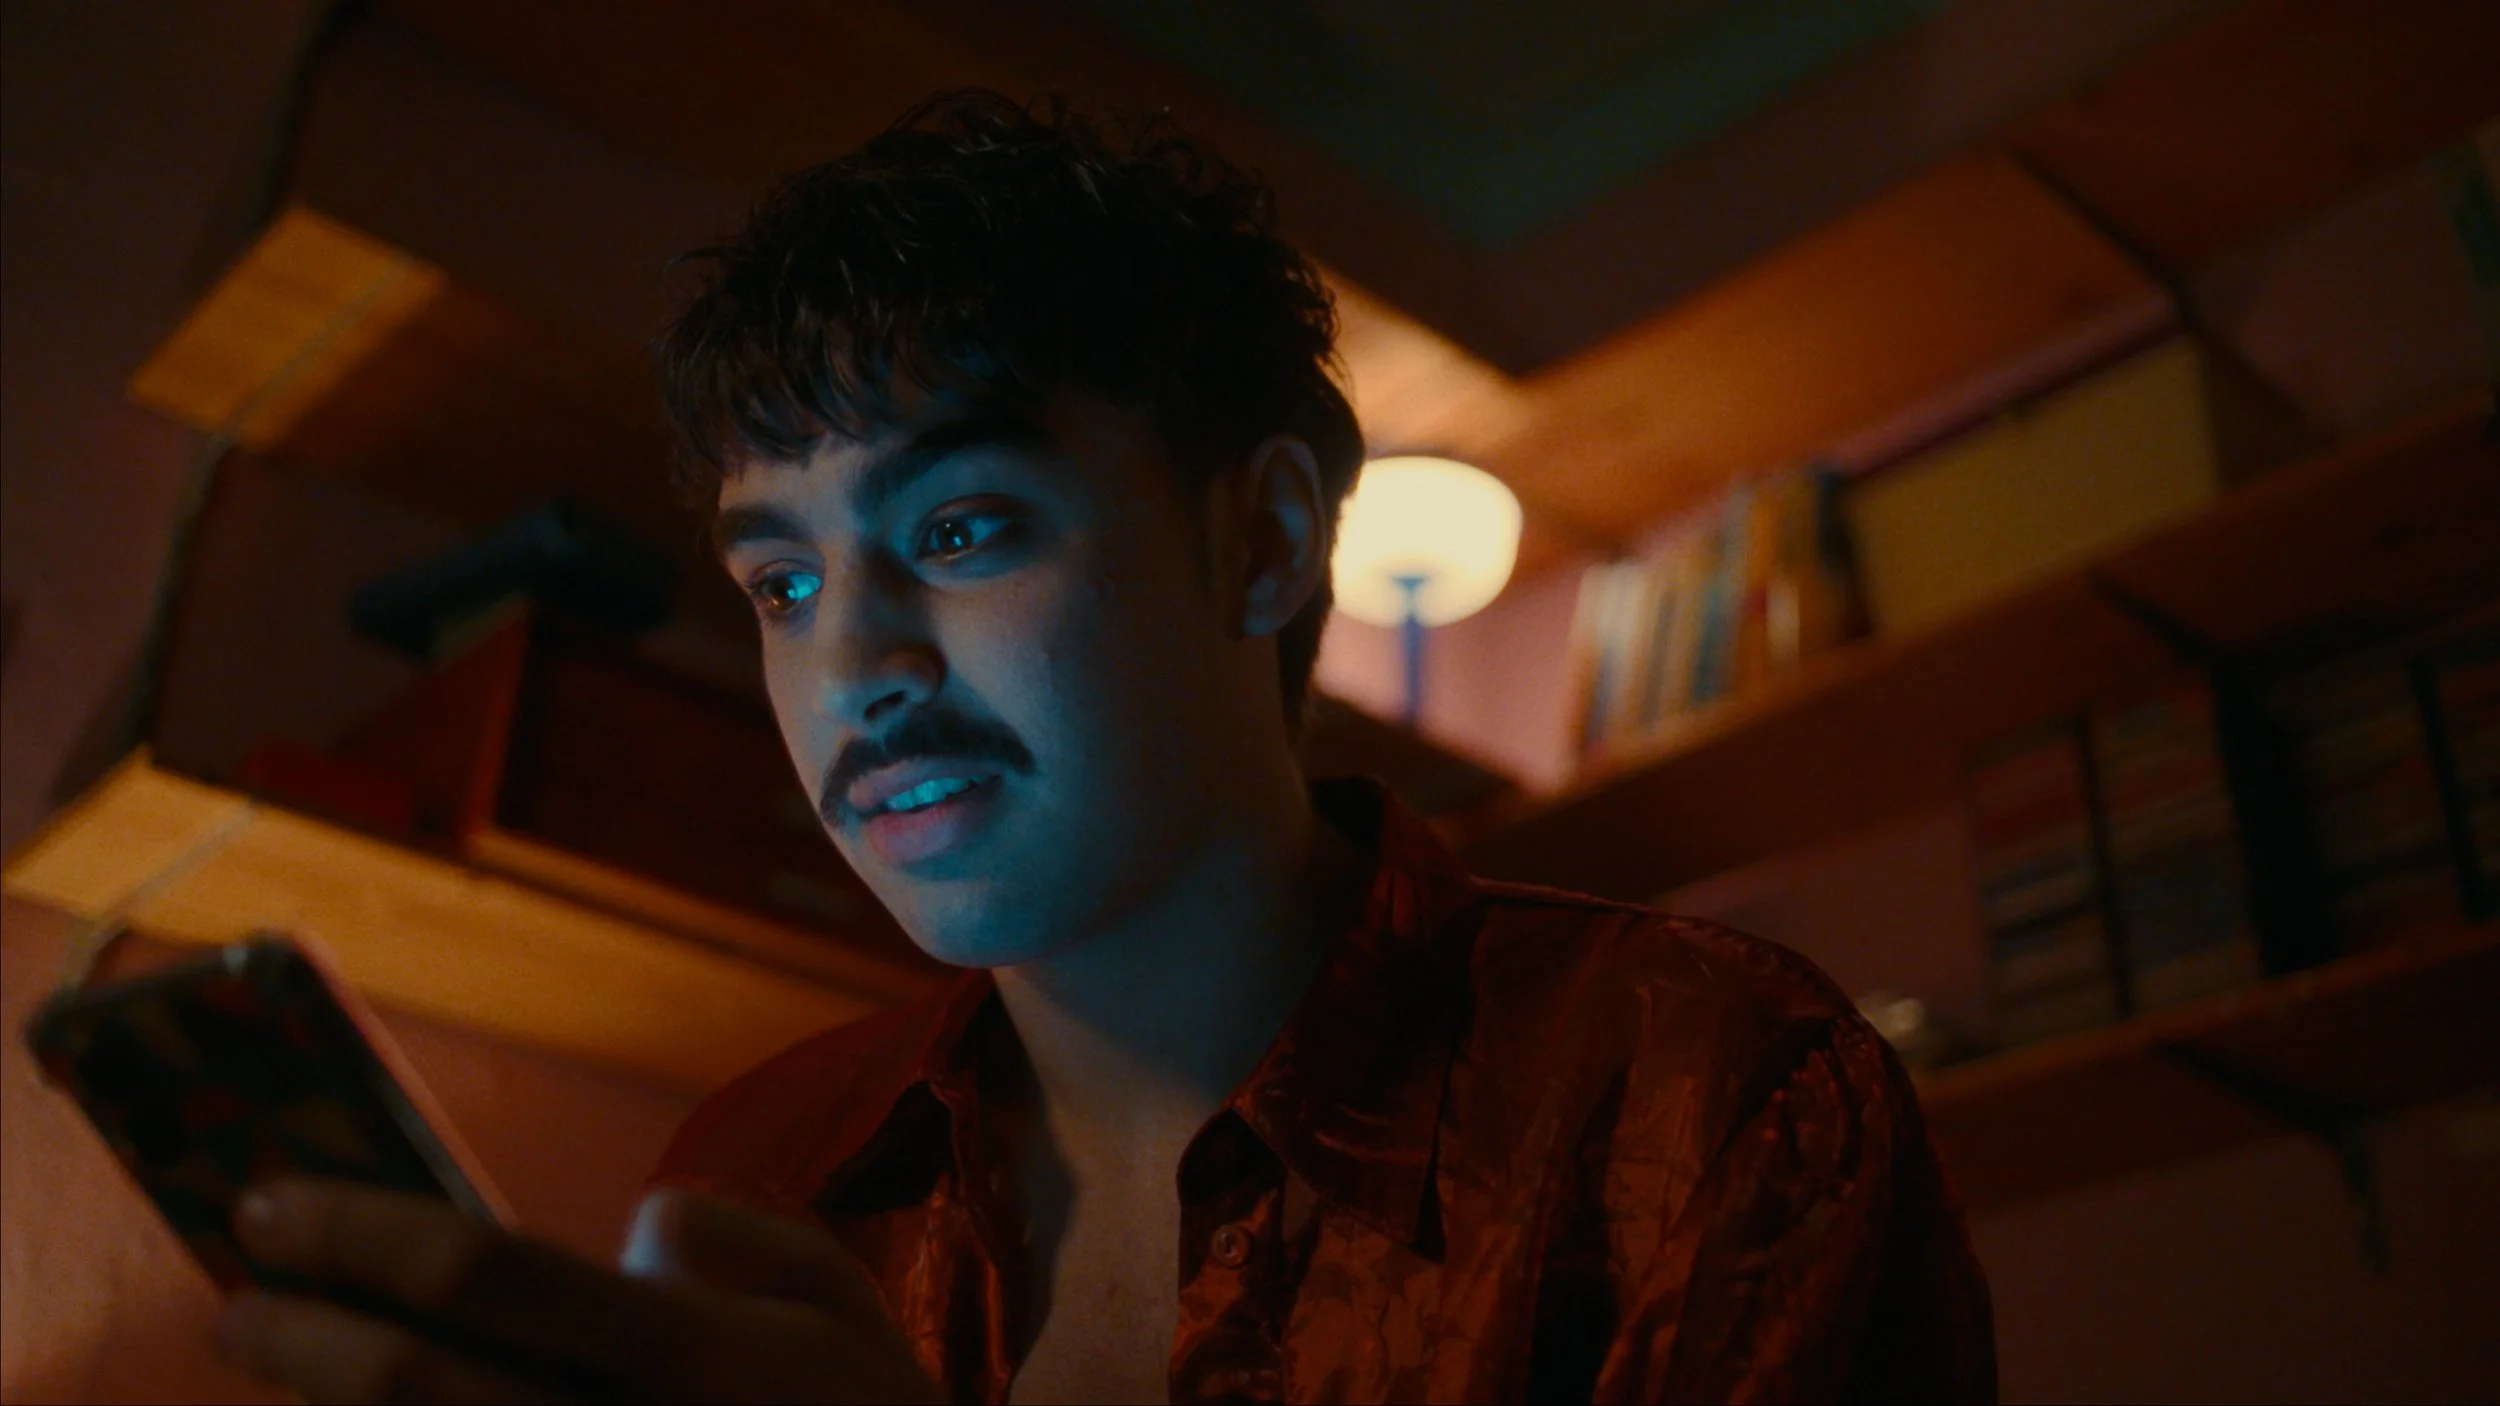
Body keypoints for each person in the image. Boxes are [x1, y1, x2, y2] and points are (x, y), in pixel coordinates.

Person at [216, 91, 1995, 1404]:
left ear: (1264, 539)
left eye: (963, 529)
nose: (853, 666)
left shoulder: (1707, 1089)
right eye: (780, 580)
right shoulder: (764, 1175)